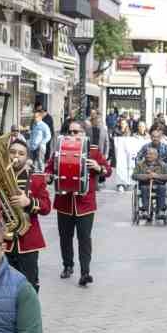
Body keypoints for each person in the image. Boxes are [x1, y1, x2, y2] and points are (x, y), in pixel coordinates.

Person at [49, 119, 111, 286]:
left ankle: (85, 272)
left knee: (84, 238)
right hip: (65, 201)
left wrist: (99, 168)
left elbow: (108, 170)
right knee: (65, 237)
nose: (73, 135)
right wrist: (49, 176)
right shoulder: (60, 148)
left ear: (85, 133)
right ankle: (68, 265)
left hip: (85, 203)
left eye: (77, 132)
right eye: (70, 132)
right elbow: (49, 169)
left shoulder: (93, 151)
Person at [6, 137, 51, 290]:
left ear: (27, 158)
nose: (16, 156)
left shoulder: (37, 178)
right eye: (12, 152)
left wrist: (29, 202)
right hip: (3, 242)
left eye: (21, 153)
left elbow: (46, 207)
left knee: (29, 286)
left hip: (28, 242)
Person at [133, 144, 167, 223]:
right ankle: (146, 210)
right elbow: (134, 175)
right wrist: (146, 176)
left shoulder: (162, 165)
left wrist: (157, 176)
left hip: (158, 184)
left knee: (162, 188)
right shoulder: (140, 164)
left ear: (156, 155)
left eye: (150, 154)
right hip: (145, 184)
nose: (147, 155)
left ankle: (160, 210)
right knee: (144, 188)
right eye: (147, 153)